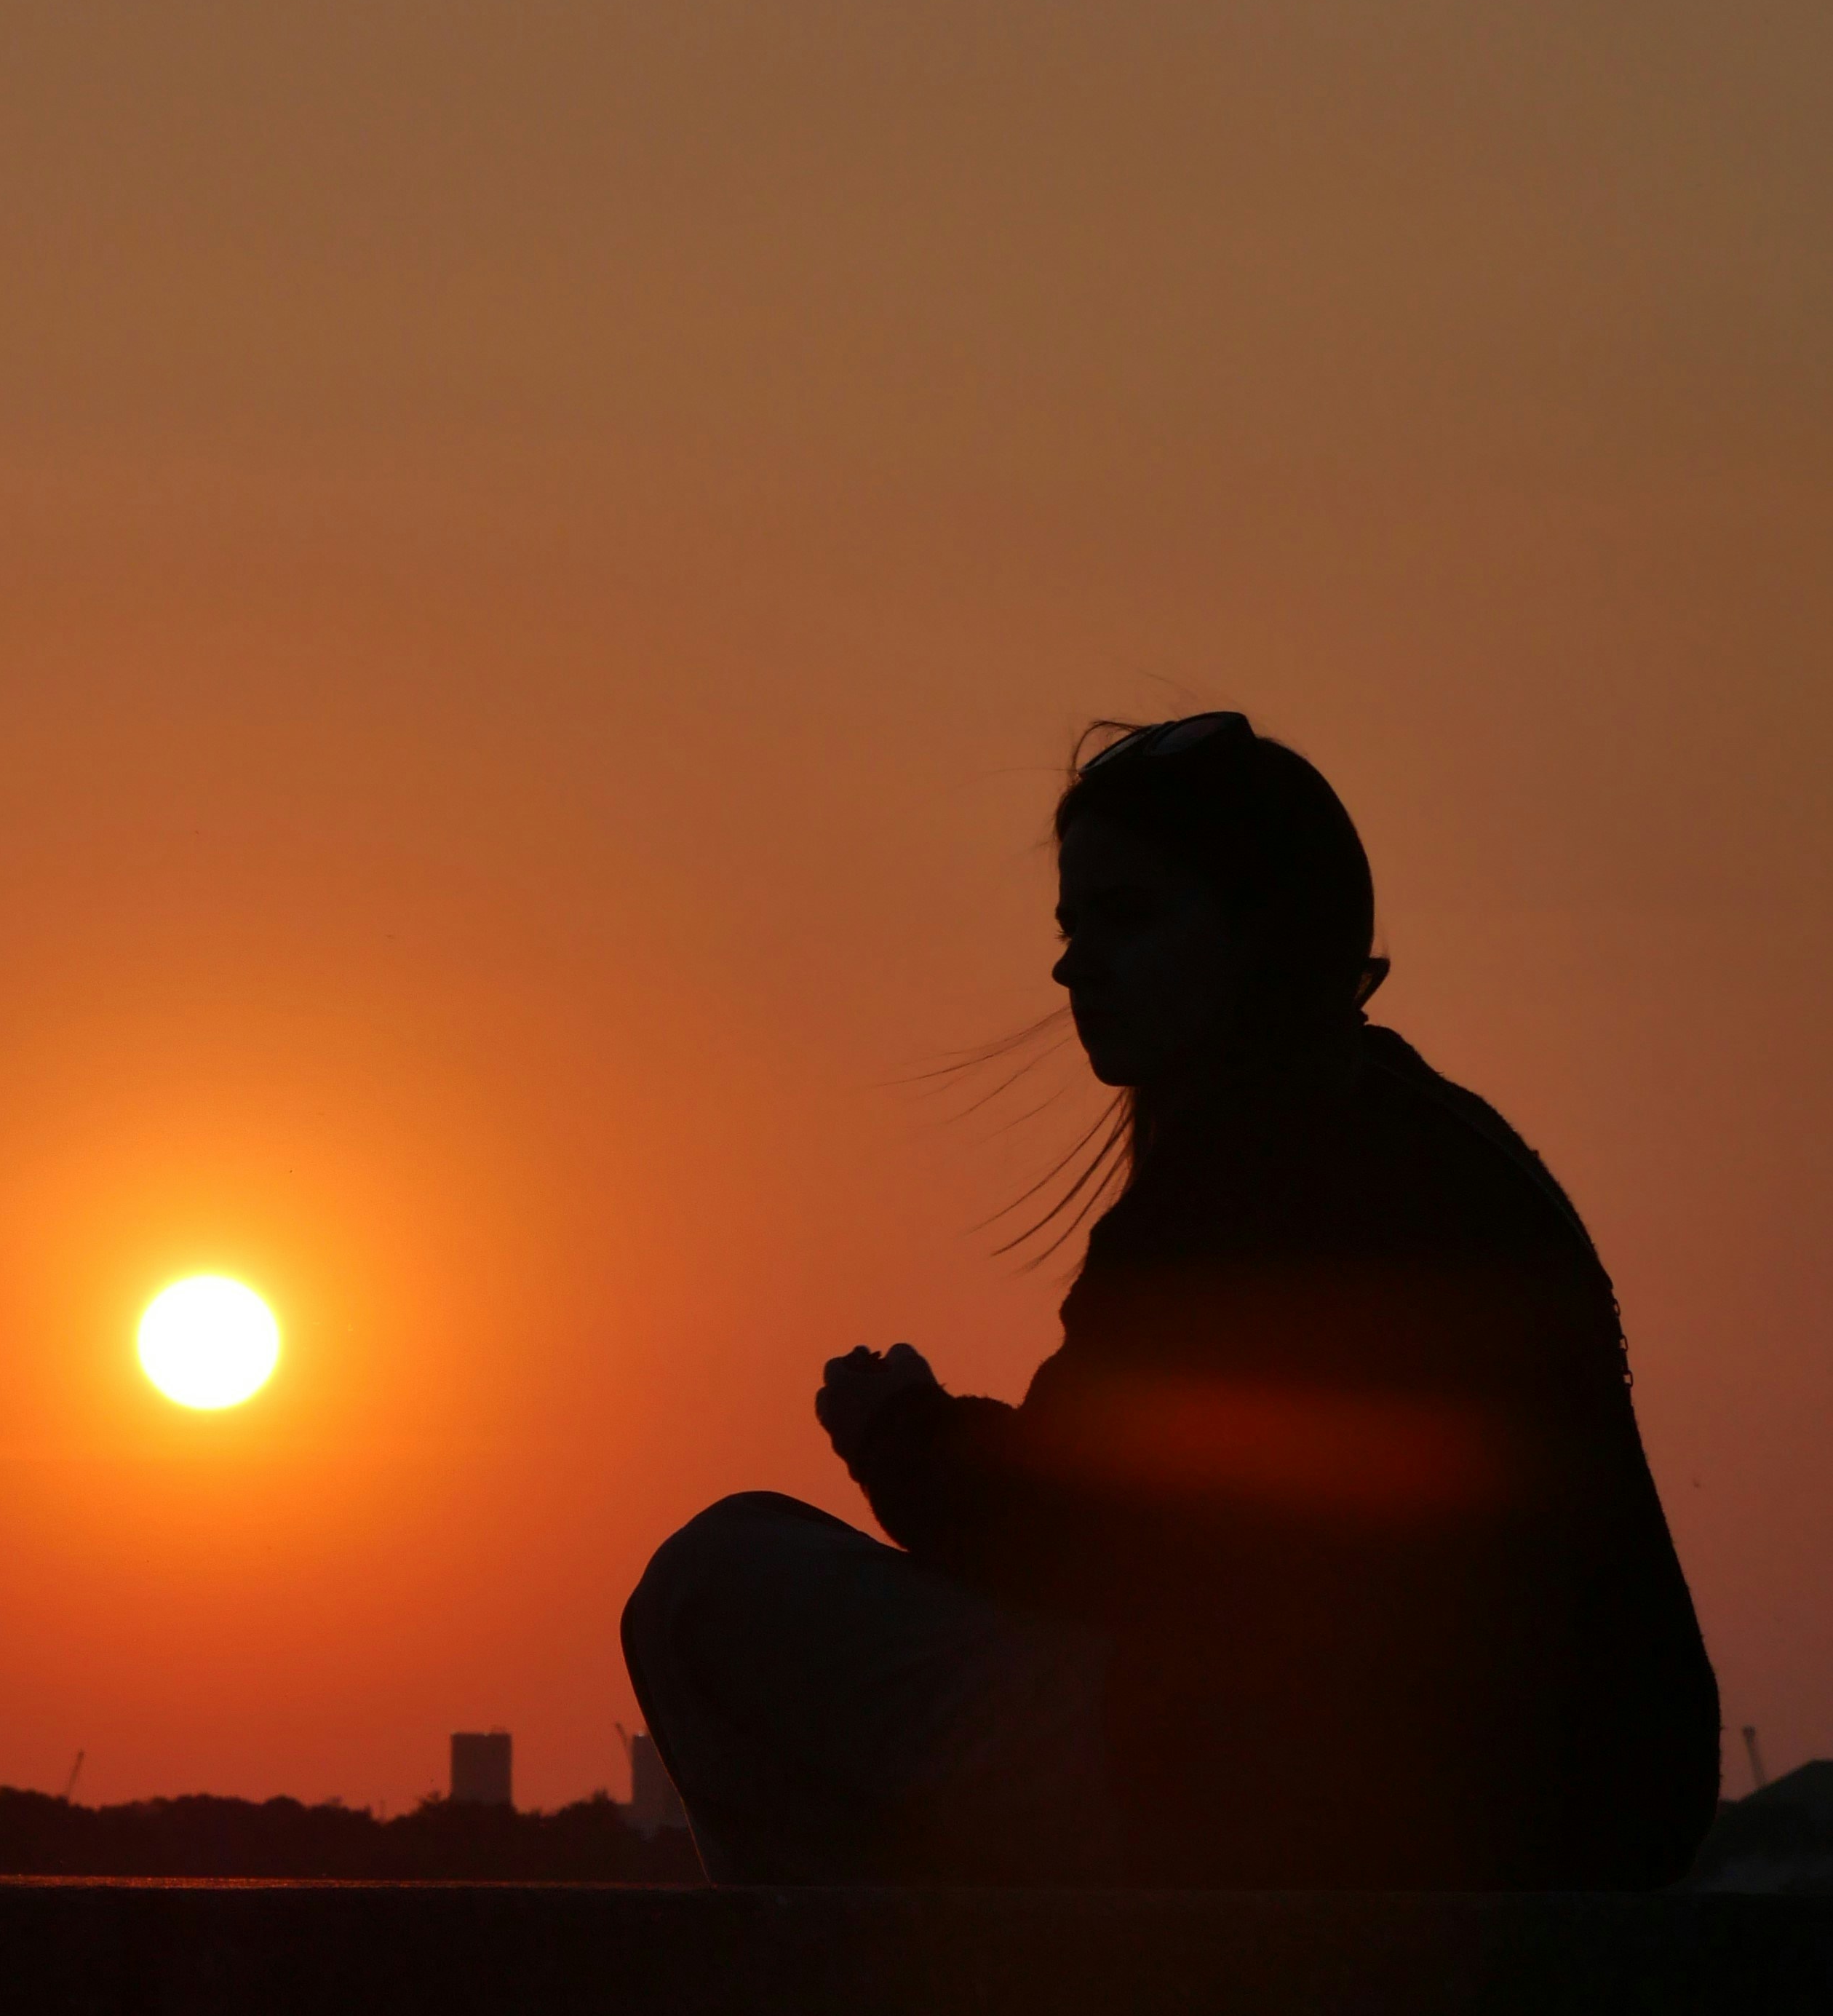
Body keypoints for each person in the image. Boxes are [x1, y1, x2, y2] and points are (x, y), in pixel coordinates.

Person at [622, 713, 1719, 1889]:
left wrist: (902, 1432)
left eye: (1127, 915)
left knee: (711, 1585)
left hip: (1341, 1806)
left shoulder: (1256, 1172)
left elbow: (1073, 1537)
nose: (1071, 962)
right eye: (1069, 921)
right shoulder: (1431, 1133)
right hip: (1566, 1808)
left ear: (1260, 936)